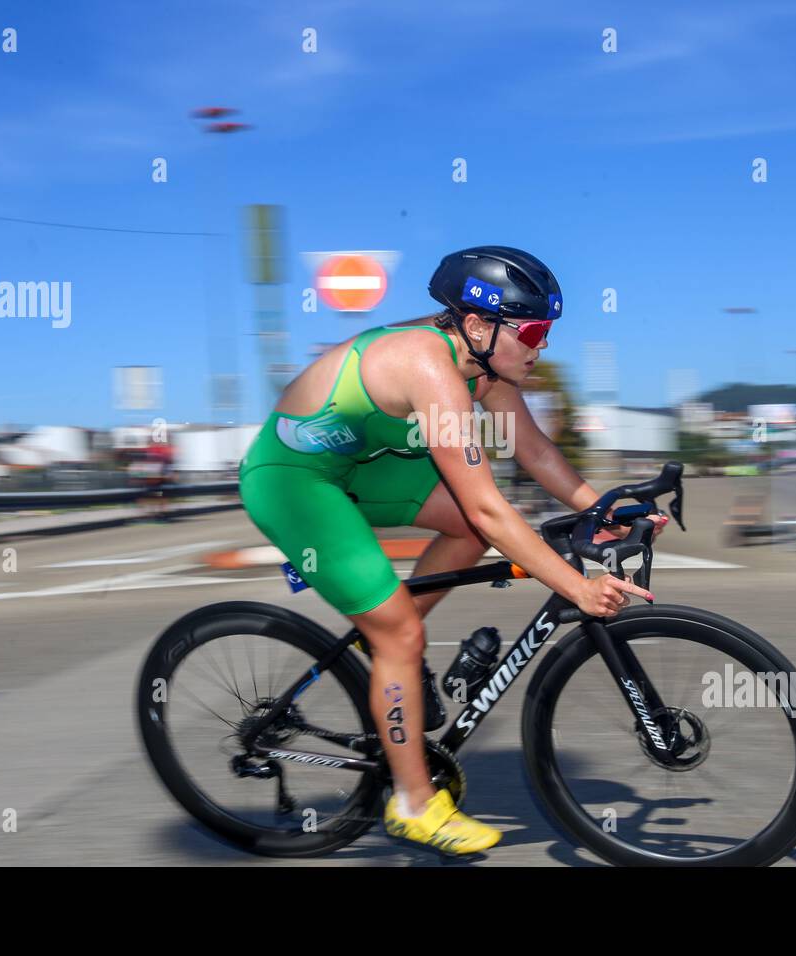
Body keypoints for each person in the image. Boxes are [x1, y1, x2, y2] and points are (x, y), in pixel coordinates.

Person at [239, 246, 662, 856]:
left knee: (451, 544)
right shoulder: (428, 365)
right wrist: (577, 588)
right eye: (535, 332)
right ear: (479, 324)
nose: (542, 347)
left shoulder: (485, 366)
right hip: (293, 480)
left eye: (548, 332)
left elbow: (535, 451)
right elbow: (491, 509)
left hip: (359, 464)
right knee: (405, 628)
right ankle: (412, 802)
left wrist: (606, 510)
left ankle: (384, 650)